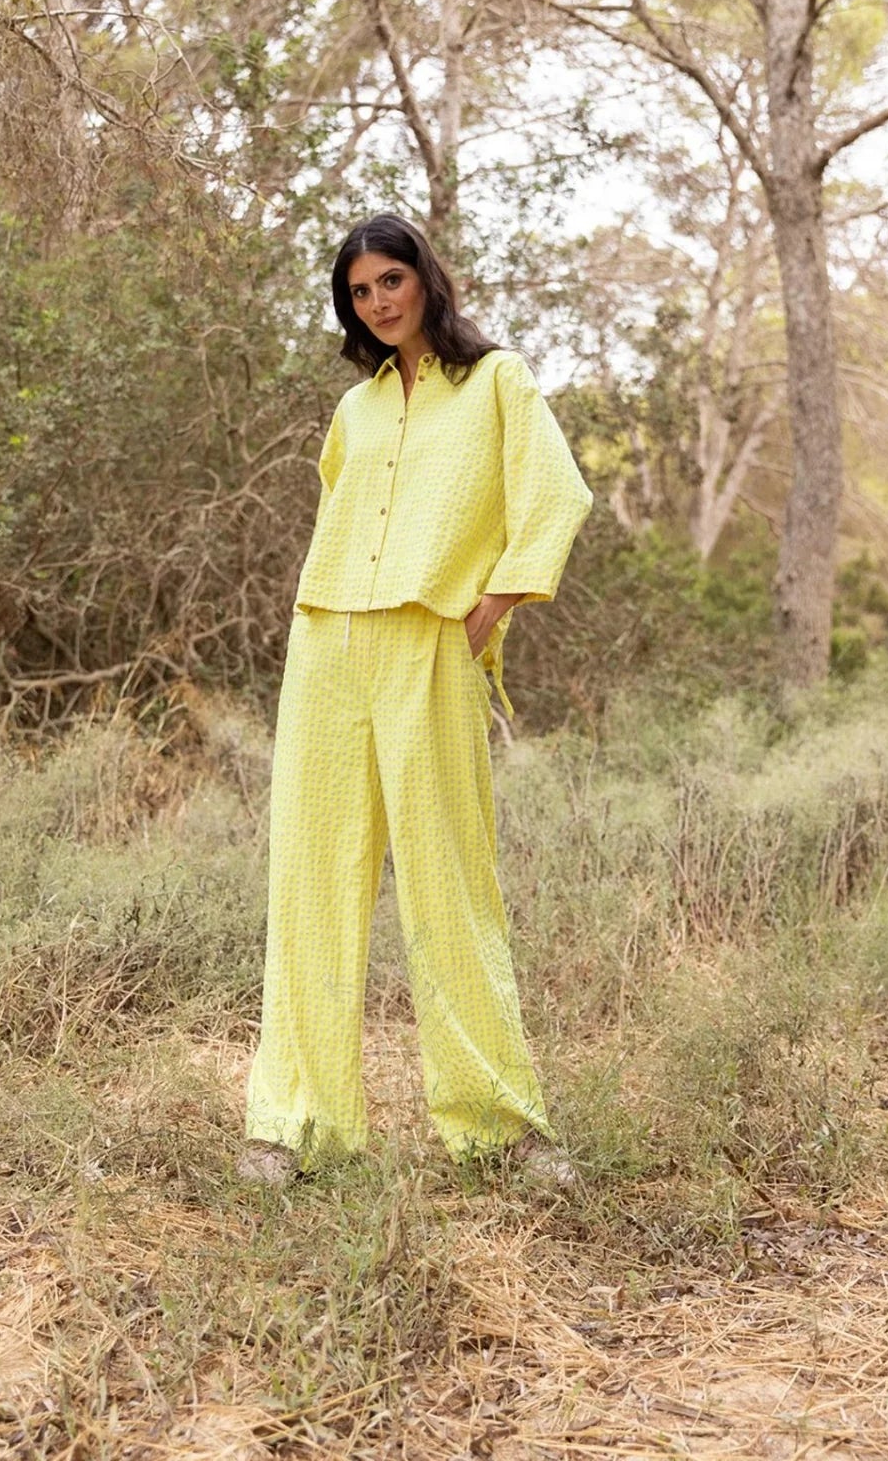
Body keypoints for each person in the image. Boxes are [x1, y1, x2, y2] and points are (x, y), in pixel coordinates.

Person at [239, 213, 593, 1186]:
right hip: (327, 648)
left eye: (389, 280)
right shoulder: (353, 413)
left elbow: (556, 497)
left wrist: (492, 607)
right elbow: (341, 514)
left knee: (449, 883)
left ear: (425, 278)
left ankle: (500, 1128)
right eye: (359, 292)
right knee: (311, 884)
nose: (377, 303)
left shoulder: (497, 382)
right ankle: (295, 1123)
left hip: (428, 645)